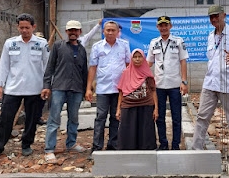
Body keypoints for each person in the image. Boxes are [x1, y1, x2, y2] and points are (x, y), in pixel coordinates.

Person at [191, 5, 229, 175]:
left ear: (224, 15)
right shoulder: (211, 36)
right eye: (211, 17)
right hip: (210, 83)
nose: (214, 19)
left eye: (216, 16)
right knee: (202, 117)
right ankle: (195, 152)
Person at [0, 13, 49, 163]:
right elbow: (4, 65)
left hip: (35, 88)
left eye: (27, 27)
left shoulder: (41, 43)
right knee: (4, 120)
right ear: (17, 27)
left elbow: (47, 67)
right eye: (21, 28)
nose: (24, 31)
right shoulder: (10, 43)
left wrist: (47, 86)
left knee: (32, 119)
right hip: (13, 89)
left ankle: (26, 144)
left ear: (33, 27)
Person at [42, 20, 88, 164]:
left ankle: (71, 144)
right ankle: (49, 149)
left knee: (73, 119)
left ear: (80, 32)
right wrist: (46, 85)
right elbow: (50, 68)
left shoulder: (82, 49)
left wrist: (87, 89)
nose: (73, 33)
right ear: (67, 32)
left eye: (76, 30)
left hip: (77, 89)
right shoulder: (58, 46)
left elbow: (84, 71)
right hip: (59, 88)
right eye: (70, 30)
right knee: (54, 119)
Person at [85, 20, 131, 155]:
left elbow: (129, 66)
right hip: (103, 90)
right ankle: (97, 147)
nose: (110, 32)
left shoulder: (124, 45)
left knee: (116, 117)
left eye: (113, 30)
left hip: (119, 90)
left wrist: (129, 86)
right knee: (100, 117)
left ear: (118, 32)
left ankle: (113, 145)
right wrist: (88, 88)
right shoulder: (97, 46)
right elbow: (92, 68)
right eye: (108, 30)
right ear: (103, 31)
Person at [146, 16, 189, 150]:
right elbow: (149, 63)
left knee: (176, 117)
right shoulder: (154, 43)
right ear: (157, 27)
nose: (163, 28)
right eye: (161, 25)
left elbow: (183, 61)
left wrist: (184, 81)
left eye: (166, 25)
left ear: (170, 26)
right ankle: (163, 144)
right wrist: (143, 78)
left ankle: (175, 144)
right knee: (159, 117)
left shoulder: (178, 41)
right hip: (158, 86)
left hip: (175, 85)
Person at [116, 49, 158, 150]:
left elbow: (153, 90)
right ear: (131, 59)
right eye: (135, 57)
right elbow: (121, 92)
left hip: (146, 105)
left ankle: (146, 152)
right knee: (128, 131)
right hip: (128, 106)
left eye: (140, 57)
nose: (137, 59)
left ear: (143, 59)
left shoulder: (147, 73)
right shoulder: (126, 73)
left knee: (145, 131)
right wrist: (118, 109)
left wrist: (156, 108)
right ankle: (128, 153)